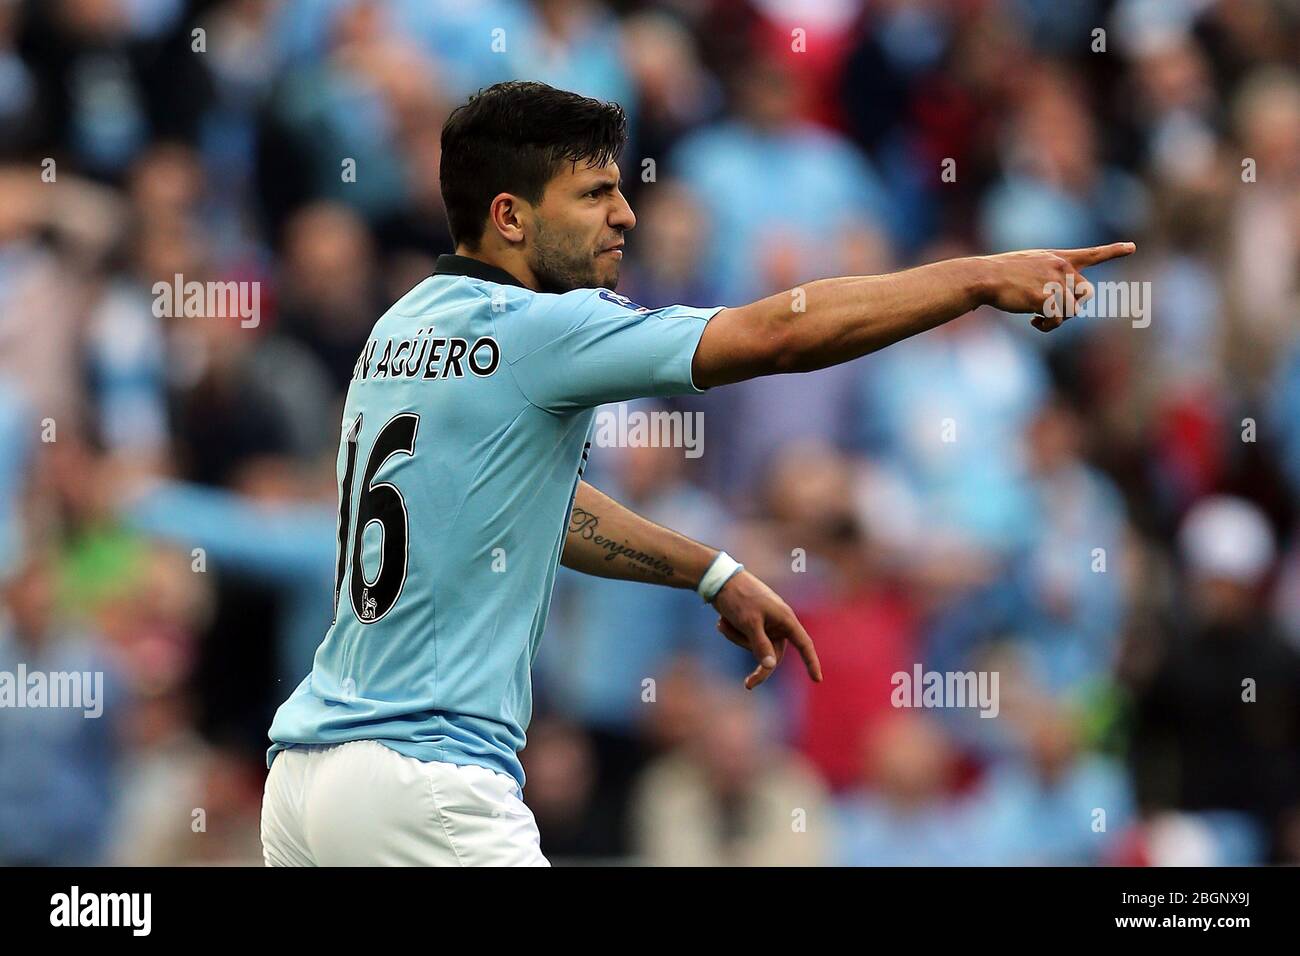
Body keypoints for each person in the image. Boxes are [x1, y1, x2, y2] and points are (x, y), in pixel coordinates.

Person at [260, 79, 1134, 866]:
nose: (626, 215)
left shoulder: (399, 328)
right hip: (428, 782)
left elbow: (535, 511)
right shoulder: (540, 329)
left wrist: (708, 571)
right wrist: (976, 279)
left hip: (308, 780)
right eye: (595, 193)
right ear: (512, 217)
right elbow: (776, 334)